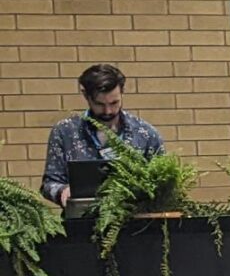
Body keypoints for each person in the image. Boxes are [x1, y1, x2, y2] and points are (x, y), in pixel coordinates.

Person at [41, 63, 164, 204]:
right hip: (81, 221)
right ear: (86, 96)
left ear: (122, 92)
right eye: (99, 104)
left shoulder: (146, 134)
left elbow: (163, 183)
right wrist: (62, 191)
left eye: (114, 103)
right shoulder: (65, 131)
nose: (108, 111)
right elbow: (49, 183)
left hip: (137, 221)